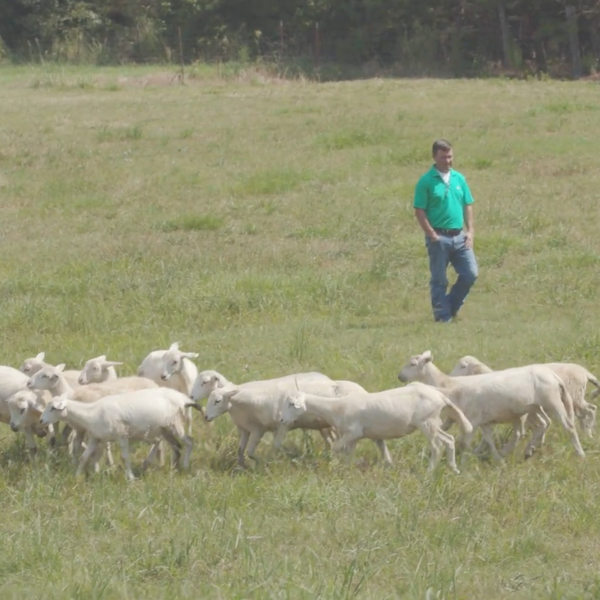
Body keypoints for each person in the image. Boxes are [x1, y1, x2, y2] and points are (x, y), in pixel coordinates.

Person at [413, 139, 478, 323]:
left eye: (450, 156)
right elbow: (419, 211)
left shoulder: (459, 178)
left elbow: (468, 205)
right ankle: (442, 316)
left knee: (470, 273)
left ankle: (450, 306)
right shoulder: (426, 182)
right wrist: (432, 235)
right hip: (439, 237)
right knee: (439, 279)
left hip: (459, 236)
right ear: (434, 157)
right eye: (443, 157)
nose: (447, 161)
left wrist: (470, 231)